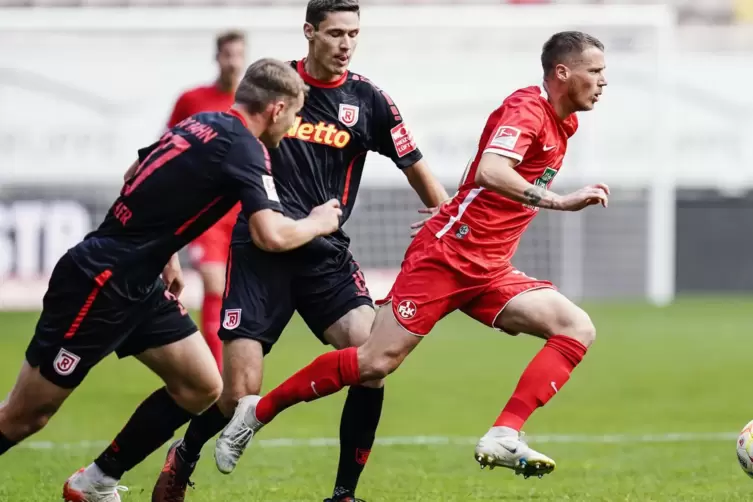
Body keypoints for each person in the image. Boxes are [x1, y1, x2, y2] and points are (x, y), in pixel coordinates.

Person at [215, 30, 610, 480]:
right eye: (595, 72)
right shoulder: (529, 109)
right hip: (448, 258)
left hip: (488, 267)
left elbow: (477, 169)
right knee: (373, 362)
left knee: (576, 327)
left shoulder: (563, 122)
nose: (602, 82)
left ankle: (504, 433)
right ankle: (256, 414)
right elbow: (490, 169)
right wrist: (559, 200)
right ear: (563, 72)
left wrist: (460, 203)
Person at [0, 58, 341, 502]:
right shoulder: (245, 147)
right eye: (294, 114)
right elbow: (271, 235)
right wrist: (318, 222)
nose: (293, 125)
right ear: (277, 109)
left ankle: (95, 481)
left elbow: (136, 172)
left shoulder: (203, 122)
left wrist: (165, 251)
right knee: (26, 416)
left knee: (200, 385)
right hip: (100, 283)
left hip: (140, 282)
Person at [150, 1, 449, 502]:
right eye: (335, 34)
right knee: (237, 393)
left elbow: (416, 167)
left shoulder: (370, 101)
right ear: (309, 32)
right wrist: (172, 240)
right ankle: (185, 454)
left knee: (371, 361)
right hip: (260, 253)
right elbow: (218, 154)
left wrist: (448, 228)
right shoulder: (274, 86)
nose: (346, 45)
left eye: (354, 34)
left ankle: (343, 494)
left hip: (325, 256)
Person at [167, 30, 247, 372]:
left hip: (244, 209)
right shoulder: (192, 99)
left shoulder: (254, 101)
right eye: (227, 54)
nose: (232, 62)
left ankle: (230, 368)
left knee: (236, 291)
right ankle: (216, 374)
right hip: (207, 212)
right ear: (217, 57)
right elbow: (170, 144)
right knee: (214, 283)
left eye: (238, 55)